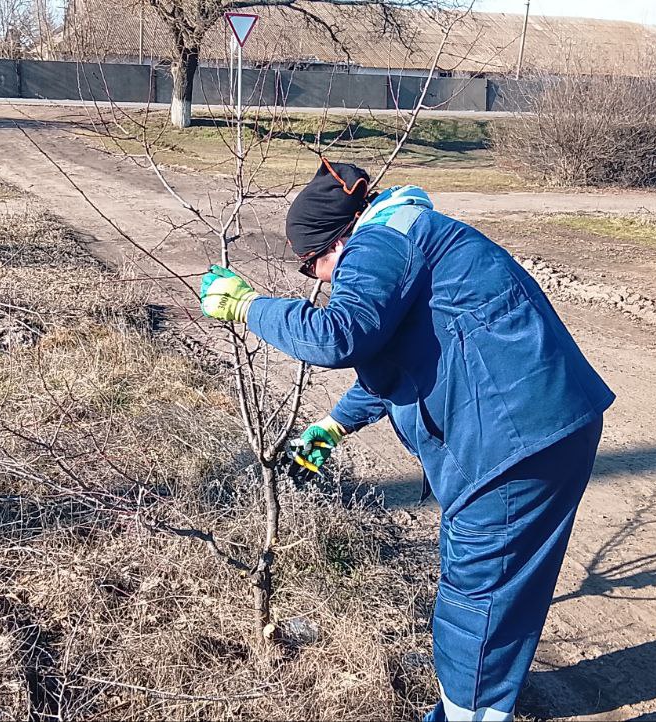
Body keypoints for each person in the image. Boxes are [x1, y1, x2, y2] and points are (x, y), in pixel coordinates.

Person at [198, 159, 615, 721]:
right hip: (541, 428)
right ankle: (471, 700)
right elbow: (403, 358)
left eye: (311, 267)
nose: (317, 281)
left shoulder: (382, 242)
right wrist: (334, 426)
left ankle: (469, 711)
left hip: (513, 444)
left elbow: (339, 335)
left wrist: (249, 307)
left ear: (336, 241)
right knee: (501, 588)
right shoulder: (410, 236)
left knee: (477, 597)